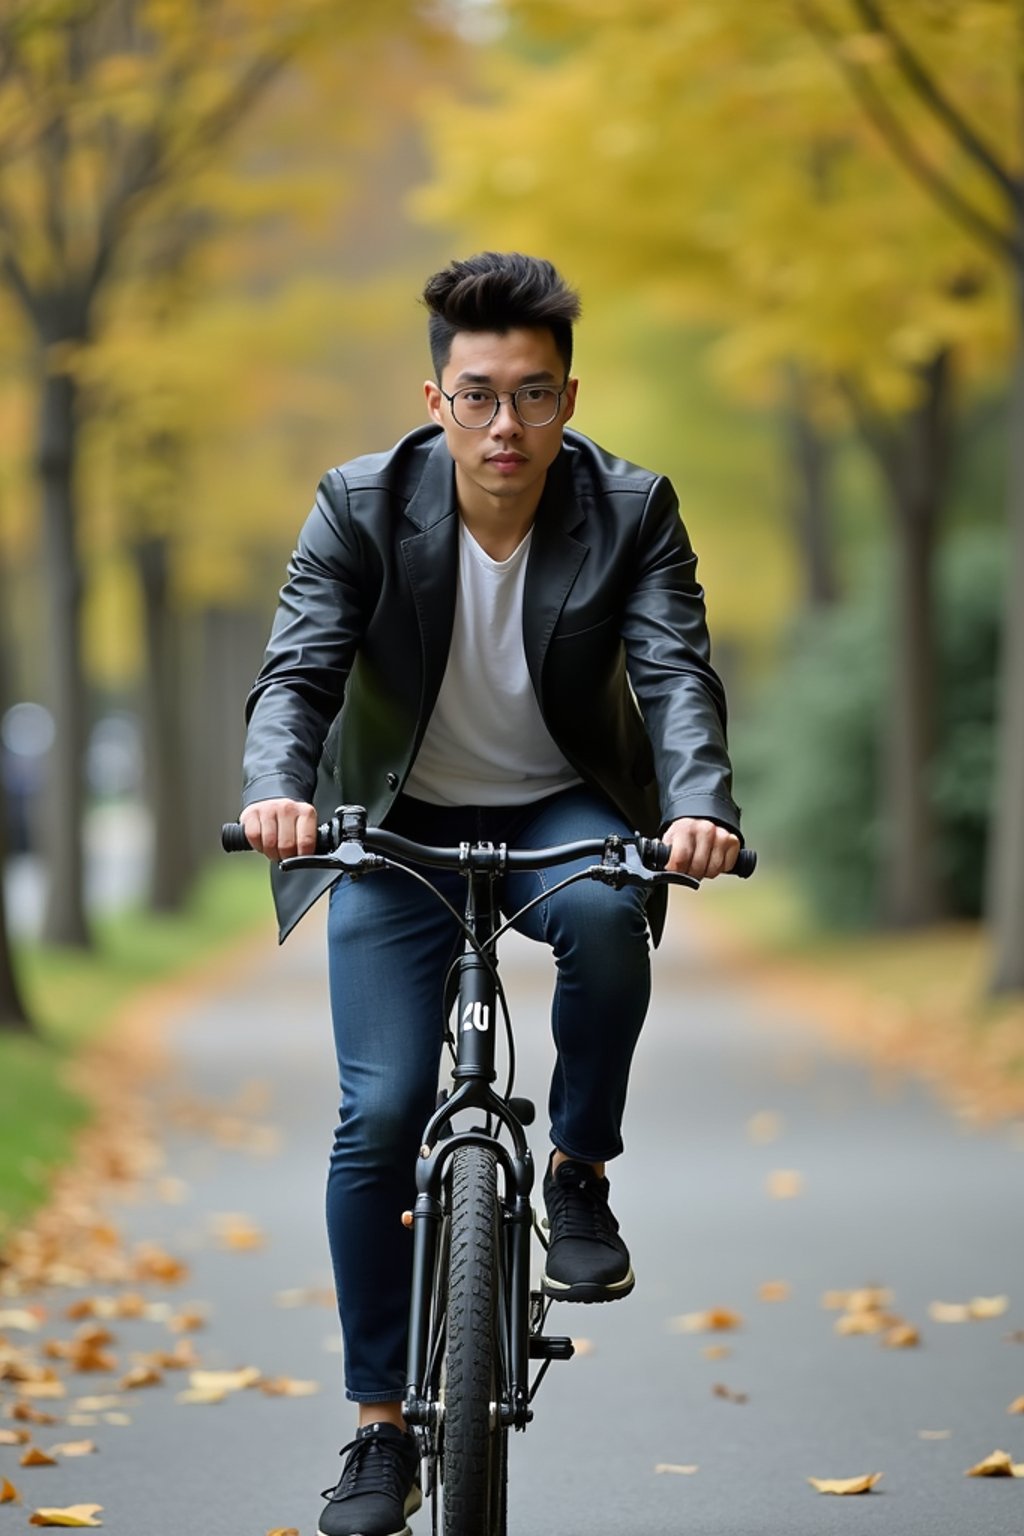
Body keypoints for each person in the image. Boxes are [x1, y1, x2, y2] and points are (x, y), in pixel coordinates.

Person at [239, 251, 742, 1536]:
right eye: (476, 396)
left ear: (570, 398)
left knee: (601, 917)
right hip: (397, 817)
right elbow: (295, 673)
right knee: (381, 1113)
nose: (503, 426)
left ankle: (576, 1167)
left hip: (558, 801)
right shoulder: (356, 506)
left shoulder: (630, 510)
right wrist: (278, 793)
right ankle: (377, 1432)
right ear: (434, 398)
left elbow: (676, 671)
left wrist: (697, 808)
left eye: (531, 396)